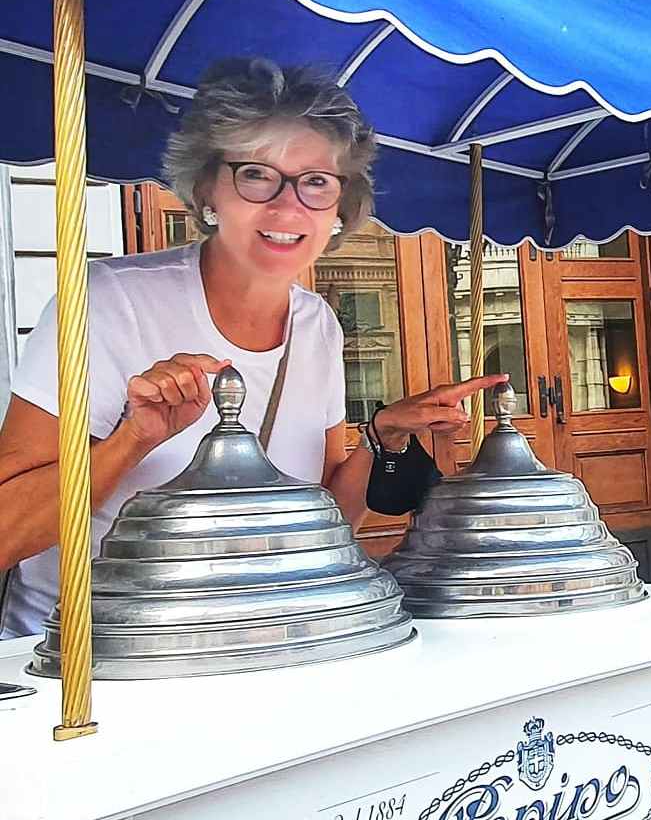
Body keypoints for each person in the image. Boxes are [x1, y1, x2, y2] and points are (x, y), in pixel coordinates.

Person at [0, 58, 503, 638]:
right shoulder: (109, 303)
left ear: (340, 211)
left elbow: (320, 522)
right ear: (207, 189)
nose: (288, 207)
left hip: (245, 640)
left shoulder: (317, 326)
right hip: (90, 655)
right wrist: (131, 440)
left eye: (316, 181)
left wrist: (382, 434)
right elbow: (8, 529)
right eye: (256, 175)